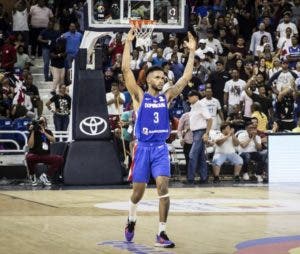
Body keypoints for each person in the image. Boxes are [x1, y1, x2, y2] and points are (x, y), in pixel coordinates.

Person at [121, 28, 196, 248]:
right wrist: (128, 43)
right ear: (148, 79)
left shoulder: (167, 96)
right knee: (138, 193)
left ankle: (161, 233)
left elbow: (185, 78)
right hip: (142, 148)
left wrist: (191, 53)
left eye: (163, 76)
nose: (162, 78)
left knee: (163, 187)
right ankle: (131, 219)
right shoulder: (139, 96)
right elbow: (126, 69)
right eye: (157, 76)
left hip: (160, 148)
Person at [26, 116, 64, 186]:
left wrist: (44, 133)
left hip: (46, 155)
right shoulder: (33, 131)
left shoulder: (48, 131)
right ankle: (32, 175)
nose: (41, 123)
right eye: (39, 122)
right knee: (28, 157)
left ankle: (46, 176)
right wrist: (33, 131)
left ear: (45, 123)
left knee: (60, 159)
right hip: (35, 155)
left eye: (42, 121)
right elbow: (30, 146)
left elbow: (53, 140)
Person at [187, 90, 212, 184]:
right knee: (201, 157)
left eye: (191, 96)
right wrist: (187, 129)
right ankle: (204, 178)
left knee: (192, 155)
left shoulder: (201, 105)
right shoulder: (193, 107)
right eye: (188, 96)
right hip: (195, 133)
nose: (189, 98)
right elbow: (196, 121)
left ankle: (190, 179)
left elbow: (209, 119)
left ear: (196, 97)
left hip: (200, 133)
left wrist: (206, 133)